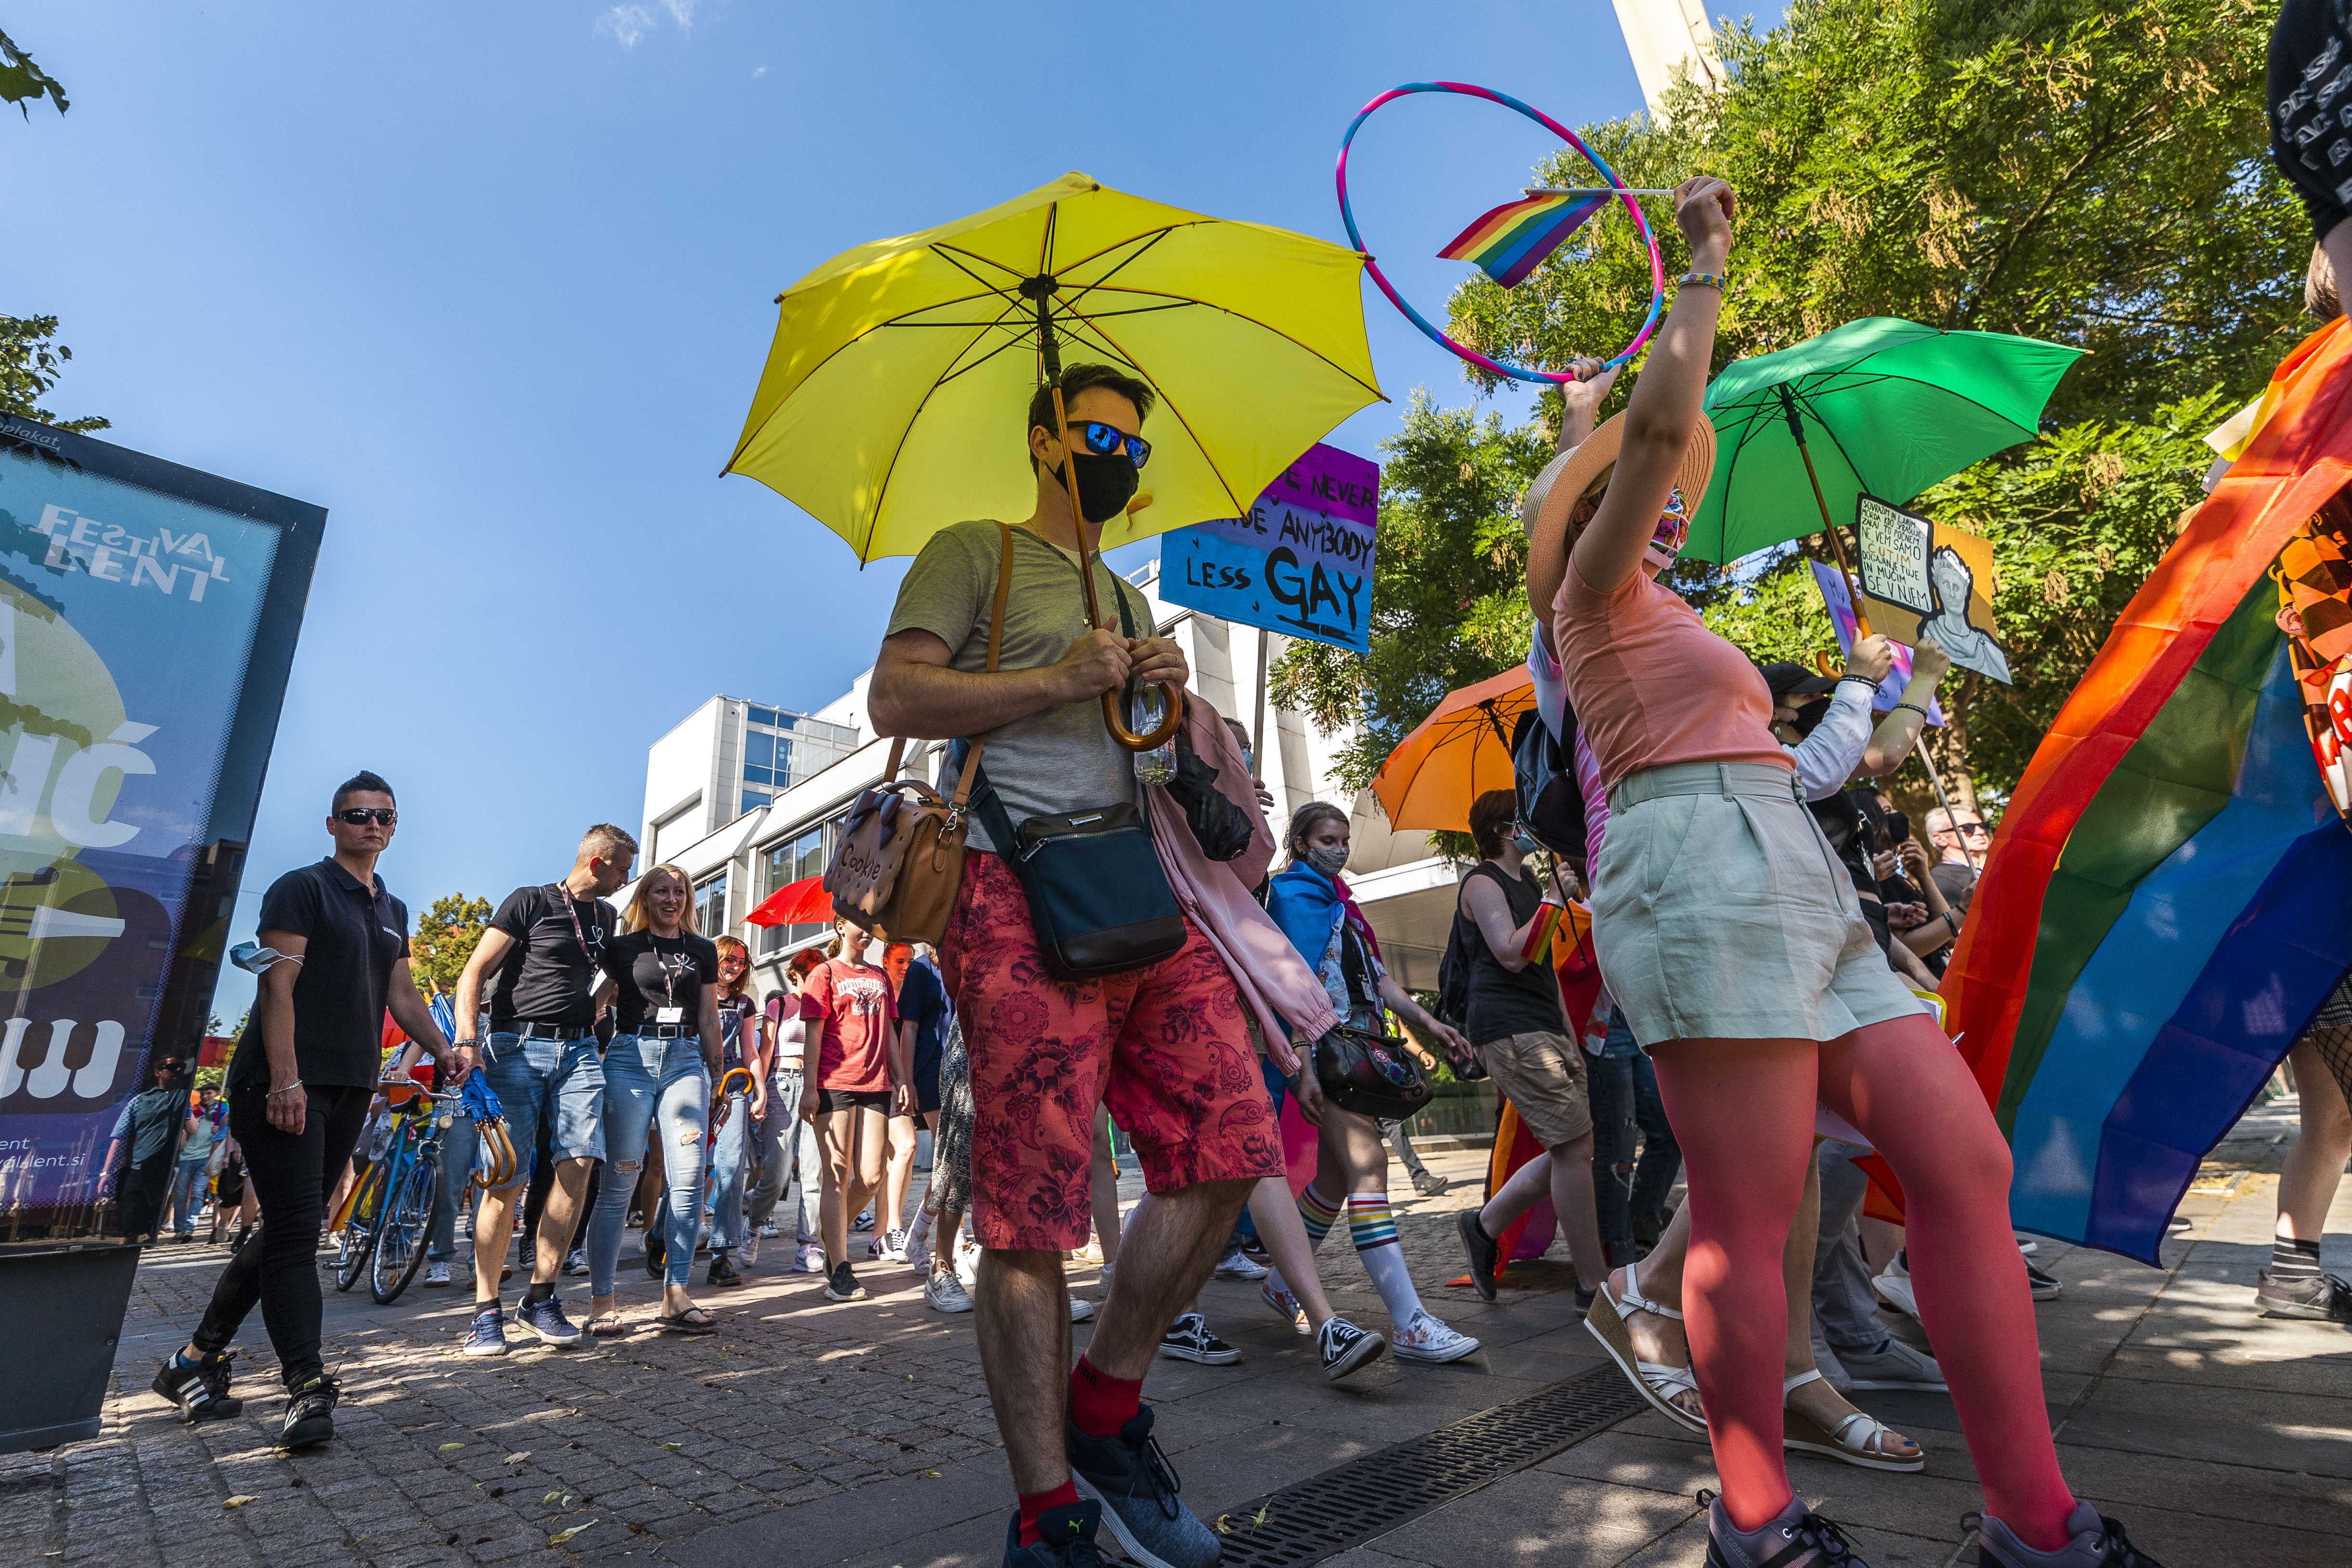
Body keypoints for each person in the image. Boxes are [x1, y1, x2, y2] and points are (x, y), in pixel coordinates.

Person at [1538, 174, 2163, 1568]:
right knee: (1750, 1220)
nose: (1673, 501)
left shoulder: (1664, 613)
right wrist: (1699, 263)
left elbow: (1814, 765)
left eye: (1680, 497)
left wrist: (1893, 683)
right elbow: (1644, 426)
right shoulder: (1590, 602)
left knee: (1961, 1160)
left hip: (1789, 866)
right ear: (1579, 517)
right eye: (1652, 488)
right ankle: (1755, 1521)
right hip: (1692, 867)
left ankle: (2032, 1517)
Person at [868, 360, 1285, 1568]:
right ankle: (1047, 1513)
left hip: (1142, 892)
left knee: (1230, 1147)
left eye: (1132, 443)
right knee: (1031, 1211)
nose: (1119, 456)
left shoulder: (1121, 588)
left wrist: (1159, 692)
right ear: (1047, 440)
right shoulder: (974, 550)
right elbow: (898, 692)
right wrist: (1066, 675)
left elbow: (1145, 755)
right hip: (1008, 890)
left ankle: (1103, 1408)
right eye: (1099, 434)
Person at [150, 771, 462, 1449]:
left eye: (383, 816)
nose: (370, 825)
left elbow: (401, 995)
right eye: (356, 814)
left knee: (286, 1232)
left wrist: (445, 1046)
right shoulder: (303, 886)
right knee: (296, 1235)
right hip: (284, 1082)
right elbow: (277, 986)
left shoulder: (393, 908)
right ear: (333, 824)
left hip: (351, 1085)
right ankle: (307, 1385)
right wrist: (286, 1080)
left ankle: (193, 1362)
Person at [1268, 802, 1482, 1364]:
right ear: (1300, 841)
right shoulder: (1292, 895)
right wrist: (1302, 1062)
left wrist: (1432, 1025)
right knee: (1369, 1166)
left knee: (1338, 1178)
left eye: (1343, 838)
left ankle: (1280, 1284)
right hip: (1329, 1047)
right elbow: (1293, 981)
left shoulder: (1345, 905)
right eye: (1326, 838)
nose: (1338, 847)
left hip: (1356, 1045)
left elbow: (1380, 982)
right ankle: (1409, 1320)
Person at [452, 824, 636, 1356]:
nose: (626, 879)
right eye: (623, 868)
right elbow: (474, 971)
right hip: (517, 1047)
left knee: (580, 1163)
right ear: (598, 863)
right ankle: (487, 1311)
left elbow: (601, 979)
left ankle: (541, 1296)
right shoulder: (529, 901)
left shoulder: (605, 917)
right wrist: (468, 1041)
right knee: (506, 1176)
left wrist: (602, 1005)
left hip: (580, 1051)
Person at [1449, 790, 1610, 1310]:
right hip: (1508, 1026)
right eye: (1522, 819)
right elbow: (1511, 953)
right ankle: (1593, 1284)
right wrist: (1550, 901)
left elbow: (1542, 966)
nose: (1531, 827)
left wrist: (1570, 1035)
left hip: (1544, 1027)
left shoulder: (1528, 882)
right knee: (1571, 1150)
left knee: (1574, 1148)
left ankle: (1484, 1224)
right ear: (1501, 829)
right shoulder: (1481, 882)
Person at [580, 864, 725, 1334]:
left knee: (686, 1181)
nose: (671, 898)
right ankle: (602, 1301)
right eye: (661, 890)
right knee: (621, 1179)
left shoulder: (703, 949)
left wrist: (718, 1073)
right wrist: (589, 1048)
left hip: (685, 1060)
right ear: (646, 896)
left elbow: (707, 1017)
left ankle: (676, 1294)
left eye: (679, 891)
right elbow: (594, 1003)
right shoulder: (622, 947)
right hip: (628, 1059)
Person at [798, 919, 909, 1303]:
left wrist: (902, 1078)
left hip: (876, 1084)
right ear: (840, 925)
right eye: (859, 923)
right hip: (834, 1082)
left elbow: (891, 1034)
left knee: (872, 1175)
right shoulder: (823, 973)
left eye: (872, 925)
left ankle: (831, 1237)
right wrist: (809, 1089)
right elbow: (813, 1034)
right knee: (837, 1173)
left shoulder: (880, 975)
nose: (867, 931)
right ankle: (840, 1269)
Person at [2257, 972, 2352, 1320]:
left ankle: (2292, 1276)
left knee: (2333, 1125)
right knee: (2332, 1122)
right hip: (2331, 948)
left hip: (2314, 955)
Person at [748, 951, 827, 1274]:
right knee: (777, 1174)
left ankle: (807, 1244)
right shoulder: (778, 1005)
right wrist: (760, 1092)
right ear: (794, 973)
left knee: (813, 1172)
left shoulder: (825, 1005)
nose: (812, 977)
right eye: (807, 971)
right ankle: (753, 1225)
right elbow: (765, 1053)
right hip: (781, 1084)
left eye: (818, 971)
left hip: (815, 1087)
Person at [702, 934, 767, 1285]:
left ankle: (721, 1254)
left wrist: (760, 1092)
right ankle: (660, 1236)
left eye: (741, 961)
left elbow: (750, 1050)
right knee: (691, 1167)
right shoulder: (696, 992)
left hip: (734, 1087)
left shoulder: (744, 1003)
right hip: (696, 1083)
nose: (735, 966)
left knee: (731, 1168)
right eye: (729, 959)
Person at [164, 1086, 223, 1240]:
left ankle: (190, 1228)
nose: (205, 1096)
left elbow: (228, 1133)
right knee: (181, 1195)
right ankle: (179, 1229)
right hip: (186, 1158)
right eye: (203, 1093)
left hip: (206, 1158)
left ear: (216, 1094)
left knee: (198, 1192)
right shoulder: (192, 1109)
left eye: (209, 1093)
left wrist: (221, 1130)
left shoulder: (222, 1112)